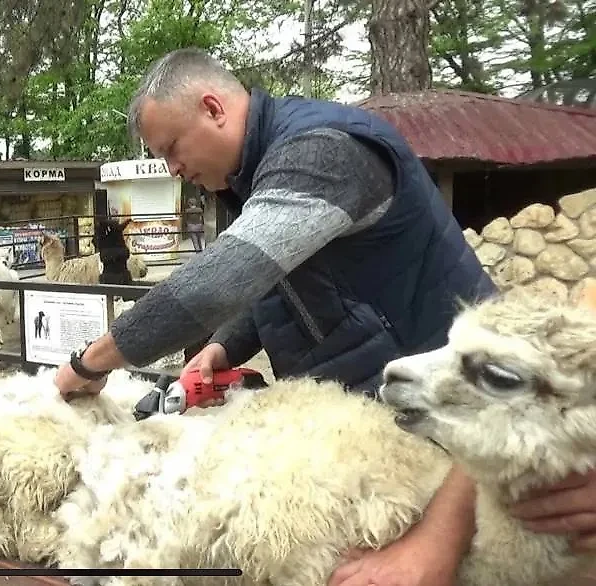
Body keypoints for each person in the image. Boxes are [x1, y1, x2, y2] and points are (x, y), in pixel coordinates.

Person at [50, 47, 596, 585]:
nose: (172, 168)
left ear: (213, 109)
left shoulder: (322, 152)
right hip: (374, 433)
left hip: (442, 438)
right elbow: (278, 283)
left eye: (172, 148)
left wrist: (90, 362)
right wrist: (223, 347)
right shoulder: (256, 177)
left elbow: (224, 278)